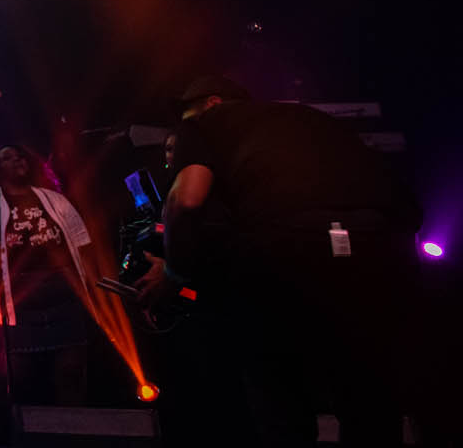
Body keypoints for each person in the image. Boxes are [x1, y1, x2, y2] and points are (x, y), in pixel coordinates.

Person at [134, 77, 424, 446]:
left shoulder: (205, 123)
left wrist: (174, 273)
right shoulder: (305, 120)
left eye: (185, 113)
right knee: (366, 396)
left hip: (288, 251)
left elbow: (187, 200)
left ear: (213, 103)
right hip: (381, 247)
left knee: (279, 392)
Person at [0, 144, 101, 445]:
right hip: (13, 311)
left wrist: (96, 294)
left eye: (21, 155)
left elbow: (83, 246)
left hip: (65, 304)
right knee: (9, 380)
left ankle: (70, 440)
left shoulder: (55, 201)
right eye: (8, 157)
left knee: (72, 375)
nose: (17, 160)